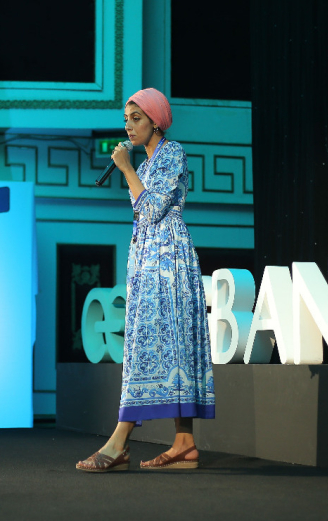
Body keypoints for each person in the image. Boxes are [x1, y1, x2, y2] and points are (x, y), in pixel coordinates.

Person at [76, 88, 215, 472]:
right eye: (126, 119)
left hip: (169, 261)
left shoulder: (172, 153)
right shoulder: (149, 162)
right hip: (148, 259)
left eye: (136, 118)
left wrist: (126, 168)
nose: (129, 126)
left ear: (156, 121)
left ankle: (118, 443)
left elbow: (151, 210)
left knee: (157, 345)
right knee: (160, 345)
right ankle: (184, 444)